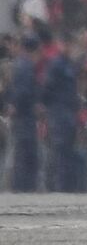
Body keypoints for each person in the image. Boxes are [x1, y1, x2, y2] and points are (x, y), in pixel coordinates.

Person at [39, 36, 83, 192]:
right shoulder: (56, 64)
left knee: (68, 149)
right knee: (59, 149)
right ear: (59, 44)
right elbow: (47, 89)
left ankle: (66, 186)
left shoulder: (70, 64)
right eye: (65, 43)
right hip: (58, 112)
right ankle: (58, 186)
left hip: (69, 112)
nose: (68, 47)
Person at [7, 31, 40, 191]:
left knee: (22, 151)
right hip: (25, 115)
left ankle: (20, 186)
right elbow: (24, 91)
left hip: (22, 114)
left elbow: (19, 91)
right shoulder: (26, 66)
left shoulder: (21, 65)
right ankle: (24, 187)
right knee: (25, 151)